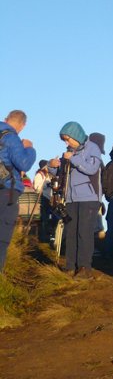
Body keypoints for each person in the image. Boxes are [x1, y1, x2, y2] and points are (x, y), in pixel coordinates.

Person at [49, 122, 103, 279]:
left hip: (89, 197)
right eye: (64, 140)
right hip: (71, 198)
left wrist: (73, 158)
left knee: (84, 233)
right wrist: (52, 166)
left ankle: (84, 268)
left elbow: (92, 168)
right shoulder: (68, 152)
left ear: (76, 135)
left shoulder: (93, 148)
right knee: (71, 233)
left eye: (68, 139)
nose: (67, 143)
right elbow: (60, 172)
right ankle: (70, 267)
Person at [0, 110, 36, 272]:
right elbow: (24, 163)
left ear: (5, 119)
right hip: (6, 190)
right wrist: (29, 148)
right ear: (23, 125)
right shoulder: (11, 138)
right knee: (3, 235)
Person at [33, 160, 53, 244]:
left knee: (50, 218)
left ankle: (49, 235)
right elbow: (36, 187)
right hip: (43, 198)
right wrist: (46, 185)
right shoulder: (39, 175)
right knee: (45, 218)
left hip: (48, 199)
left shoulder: (48, 175)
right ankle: (44, 237)